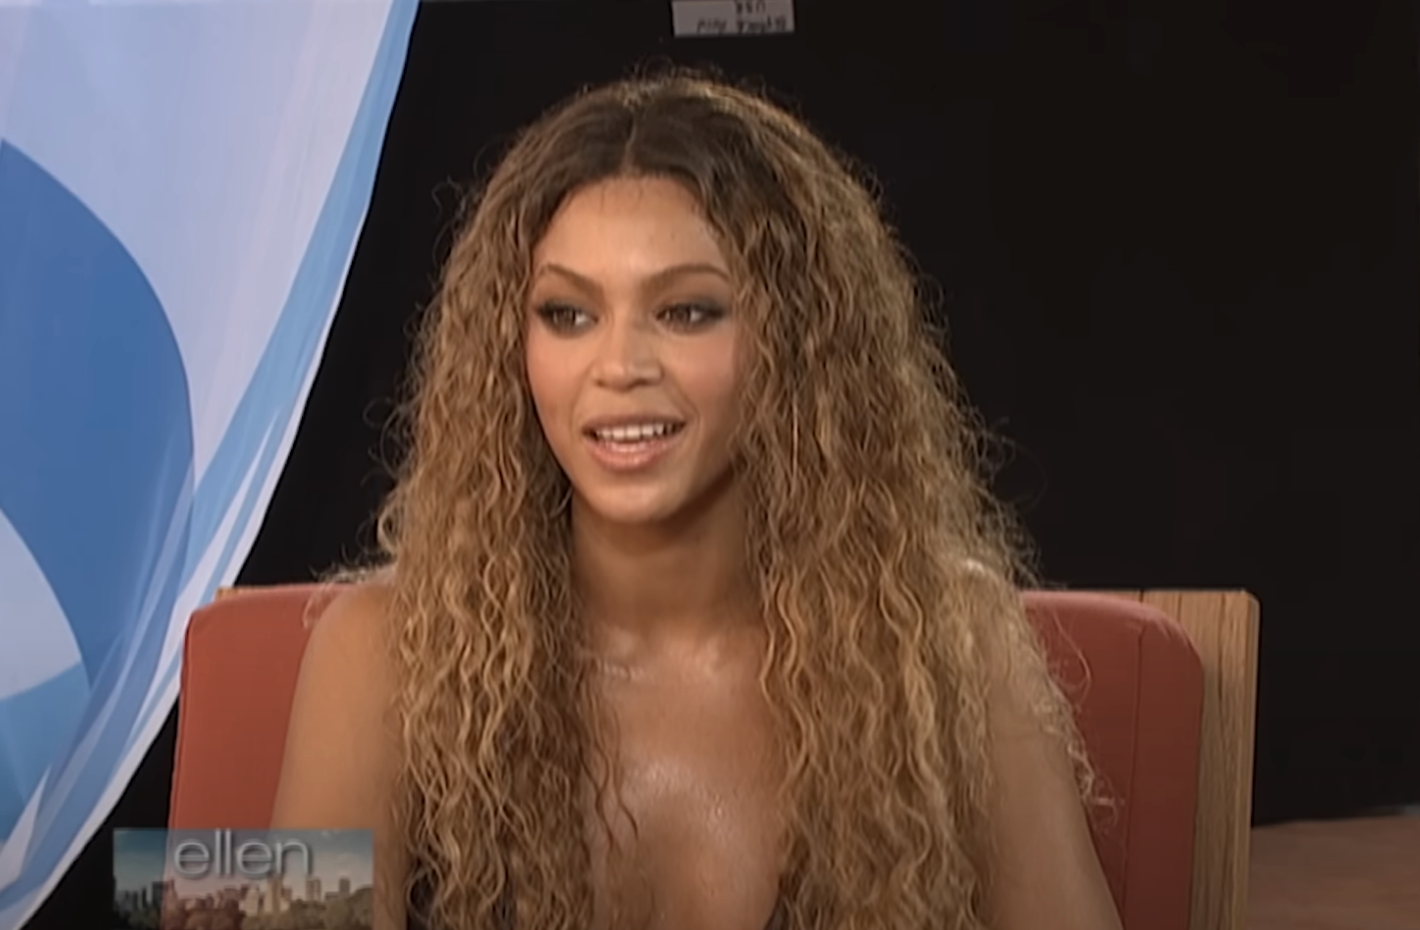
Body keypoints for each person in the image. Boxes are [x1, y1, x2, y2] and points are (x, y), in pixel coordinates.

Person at [269, 68, 1124, 930]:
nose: (619, 367)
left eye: (686, 312)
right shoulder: (373, 650)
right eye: (568, 314)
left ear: (798, 346)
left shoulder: (955, 643)